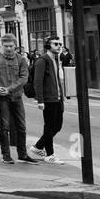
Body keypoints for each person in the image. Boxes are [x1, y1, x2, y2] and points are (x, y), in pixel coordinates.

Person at [0, 33, 37, 164]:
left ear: (15, 46)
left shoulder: (21, 60)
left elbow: (24, 78)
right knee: (4, 126)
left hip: (16, 96)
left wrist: (9, 89)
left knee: (21, 126)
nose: (8, 48)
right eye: (5, 46)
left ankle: (22, 154)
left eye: (10, 46)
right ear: (2, 46)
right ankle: (6, 155)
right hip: (1, 97)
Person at [31, 36, 67, 164]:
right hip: (48, 99)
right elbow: (37, 81)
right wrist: (40, 100)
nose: (59, 46)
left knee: (57, 126)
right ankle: (50, 154)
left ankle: (38, 146)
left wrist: (62, 97)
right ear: (48, 46)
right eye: (55, 44)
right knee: (50, 126)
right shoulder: (43, 60)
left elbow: (58, 81)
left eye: (60, 44)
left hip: (57, 98)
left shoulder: (56, 59)